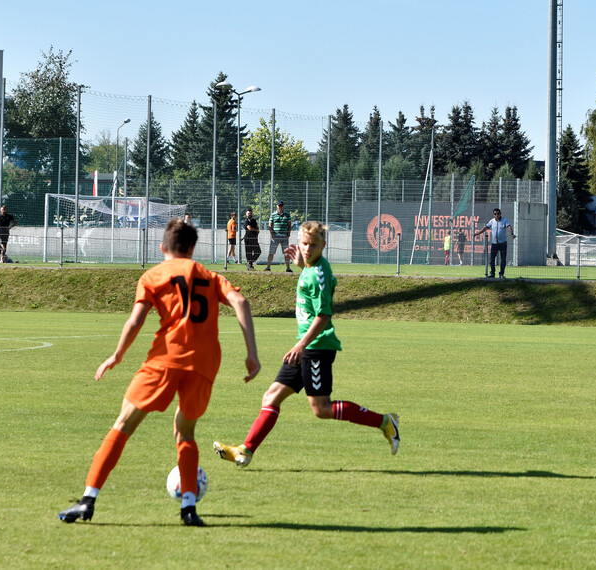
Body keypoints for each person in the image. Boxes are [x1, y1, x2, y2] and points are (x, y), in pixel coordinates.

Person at [58, 218, 261, 527]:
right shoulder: (210, 275)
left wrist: (117, 354)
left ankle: (88, 500)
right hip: (205, 363)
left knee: (123, 424)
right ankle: (189, 509)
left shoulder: (153, 275)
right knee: (186, 433)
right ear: (193, 248)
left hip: (166, 358)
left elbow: (137, 320)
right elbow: (240, 301)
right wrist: (252, 355)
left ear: (163, 247)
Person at [213, 221, 399, 468]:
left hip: (317, 348)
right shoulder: (311, 267)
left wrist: (301, 345)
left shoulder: (319, 274)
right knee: (270, 397)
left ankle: (386, 422)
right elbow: (312, 279)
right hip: (305, 347)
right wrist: (302, 265)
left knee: (321, 409)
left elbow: (323, 315)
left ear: (323, 244)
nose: (307, 248)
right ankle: (245, 450)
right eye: (304, 244)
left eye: (313, 245)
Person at [474, 208, 515, 279]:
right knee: (492, 259)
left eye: (498, 213)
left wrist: (512, 234)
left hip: (503, 243)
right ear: (494, 214)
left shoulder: (505, 220)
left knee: (503, 259)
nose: (497, 215)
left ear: (500, 213)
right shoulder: (492, 221)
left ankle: (501, 274)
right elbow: (486, 227)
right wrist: (478, 233)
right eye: (495, 214)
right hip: (494, 244)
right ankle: (492, 273)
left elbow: (509, 227)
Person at [264, 201, 293, 272]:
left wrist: (288, 234)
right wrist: (273, 235)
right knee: (271, 252)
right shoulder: (273, 215)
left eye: (281, 206)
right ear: (277, 206)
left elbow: (289, 225)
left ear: (283, 206)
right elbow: (270, 226)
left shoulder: (287, 215)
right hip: (275, 236)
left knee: (286, 253)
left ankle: (288, 268)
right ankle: (268, 267)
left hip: (284, 236)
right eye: (279, 205)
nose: (280, 207)